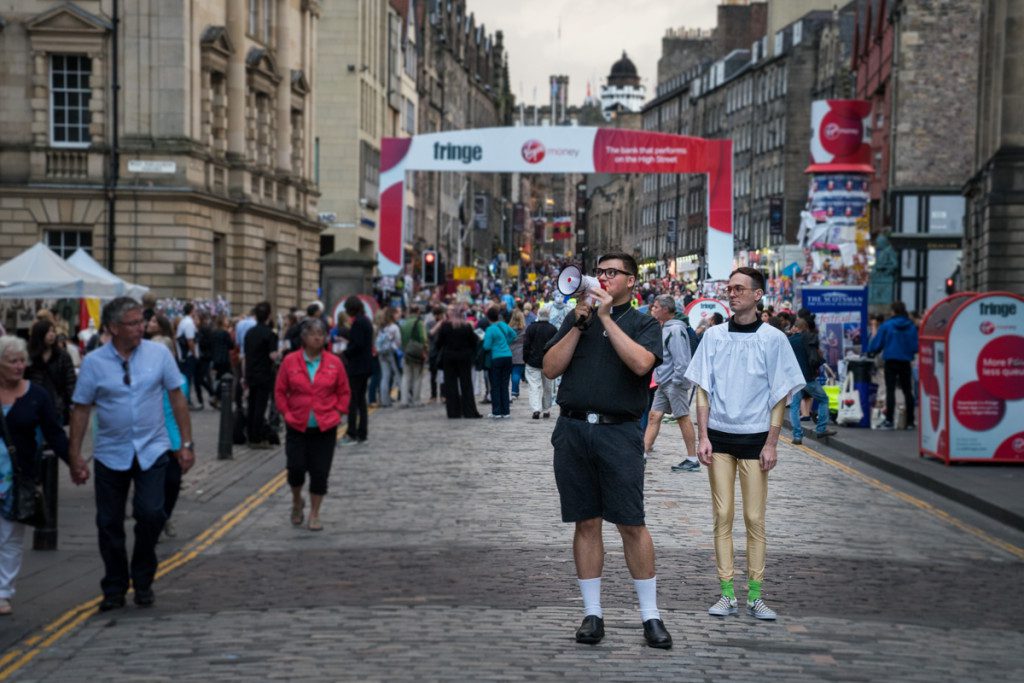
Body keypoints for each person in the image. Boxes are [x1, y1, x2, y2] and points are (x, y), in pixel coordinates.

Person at [542, 252, 672, 649]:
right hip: (575, 428)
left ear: (631, 281)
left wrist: (605, 319)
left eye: (612, 273)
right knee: (586, 521)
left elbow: (641, 364)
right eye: (599, 272)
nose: (603, 278)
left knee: (631, 523)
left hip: (619, 433)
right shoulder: (576, 318)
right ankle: (592, 614)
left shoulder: (644, 323)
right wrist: (580, 324)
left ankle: (650, 617)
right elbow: (550, 368)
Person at [684, 267, 805, 621]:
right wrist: (703, 436)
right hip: (720, 436)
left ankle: (755, 595)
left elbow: (780, 394)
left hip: (755, 438)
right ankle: (726, 594)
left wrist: (772, 443)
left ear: (757, 295)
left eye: (739, 288)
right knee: (722, 515)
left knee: (754, 518)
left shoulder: (773, 339)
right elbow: (702, 389)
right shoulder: (714, 336)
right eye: (729, 288)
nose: (732, 293)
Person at [67, 297, 196, 611]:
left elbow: (177, 398)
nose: (142, 327)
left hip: (153, 449)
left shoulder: (159, 354)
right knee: (108, 523)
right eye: (134, 322)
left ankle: (143, 578)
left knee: (151, 514)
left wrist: (186, 444)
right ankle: (114, 586)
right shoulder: (95, 362)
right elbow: (81, 410)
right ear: (113, 327)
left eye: (142, 320)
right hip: (112, 453)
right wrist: (75, 456)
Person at [0, 336, 70, 616]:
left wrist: (74, 462)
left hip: (18, 477)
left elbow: (54, 433)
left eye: (22, 361)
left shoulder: (36, 395)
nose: (20, 366)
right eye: (13, 361)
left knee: (10, 537)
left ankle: (3, 591)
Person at [275, 319, 351, 531]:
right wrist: (286, 413)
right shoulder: (290, 361)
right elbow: (280, 391)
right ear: (304, 337)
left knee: (320, 472)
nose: (318, 337)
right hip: (296, 425)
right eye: (313, 333)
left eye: (322, 333)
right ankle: (297, 501)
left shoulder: (335, 363)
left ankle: (315, 514)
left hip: (325, 426)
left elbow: (344, 391)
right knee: (295, 469)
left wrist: (337, 412)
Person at [641, 296, 699, 473]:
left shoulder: (674, 330)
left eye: (656, 307)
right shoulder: (665, 328)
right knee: (654, 416)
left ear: (665, 310)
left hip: (674, 382)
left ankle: (692, 459)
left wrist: (677, 382)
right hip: (664, 382)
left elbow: (681, 360)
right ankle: (642, 454)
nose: (653, 309)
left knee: (682, 417)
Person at [867, 301, 918, 430]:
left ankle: (889, 420)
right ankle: (910, 422)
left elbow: (877, 344)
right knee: (908, 391)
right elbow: (915, 346)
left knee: (890, 390)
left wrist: (871, 350)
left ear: (893, 311)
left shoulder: (887, 325)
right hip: (905, 361)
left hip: (890, 360)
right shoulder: (911, 325)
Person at [788, 317, 836, 445]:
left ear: (796, 328)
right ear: (805, 328)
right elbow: (816, 355)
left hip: (794, 379)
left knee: (794, 406)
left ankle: (797, 436)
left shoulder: (789, 341)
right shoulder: (809, 338)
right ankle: (821, 428)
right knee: (823, 399)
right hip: (808, 378)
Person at [26, 319, 77, 426]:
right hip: (33, 405)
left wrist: (72, 403)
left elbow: (70, 381)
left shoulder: (62, 356)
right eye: (48, 332)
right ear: (39, 334)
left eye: (53, 331)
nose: (52, 335)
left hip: (56, 406)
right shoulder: (28, 356)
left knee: (55, 438)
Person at [436, 306, 483, 419]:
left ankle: (453, 412)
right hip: (464, 357)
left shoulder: (446, 326)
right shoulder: (466, 327)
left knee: (451, 385)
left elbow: (438, 343)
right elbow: (474, 342)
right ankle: (469, 411)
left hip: (449, 357)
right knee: (466, 385)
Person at [243, 302, 279, 449]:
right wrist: (280, 352)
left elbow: (246, 354)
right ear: (269, 316)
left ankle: (251, 434)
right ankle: (257, 438)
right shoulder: (270, 334)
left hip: (251, 373)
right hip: (264, 374)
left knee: (251, 405)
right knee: (260, 406)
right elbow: (273, 356)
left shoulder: (249, 333)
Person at [339, 296, 372, 445]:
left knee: (353, 400)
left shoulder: (358, 323)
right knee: (361, 401)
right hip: (365, 365)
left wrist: (345, 352)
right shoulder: (365, 321)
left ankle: (351, 432)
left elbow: (357, 345)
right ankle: (362, 432)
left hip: (357, 366)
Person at [522, 305, 557, 419]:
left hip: (533, 361)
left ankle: (536, 409)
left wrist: (525, 358)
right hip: (548, 362)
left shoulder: (531, 328)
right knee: (548, 386)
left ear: (538, 315)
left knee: (534, 386)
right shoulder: (552, 329)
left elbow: (526, 345)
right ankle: (546, 409)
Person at [482, 307, 516, 418]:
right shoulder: (504, 325)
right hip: (508, 356)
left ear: (488, 318)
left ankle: (496, 411)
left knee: (495, 385)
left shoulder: (490, 329)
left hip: (496, 358)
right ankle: (506, 411)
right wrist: (506, 343)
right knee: (504, 385)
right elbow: (514, 335)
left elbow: (486, 346)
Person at [398, 304, 428, 407]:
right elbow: (423, 338)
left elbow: (400, 339)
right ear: (418, 311)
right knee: (417, 377)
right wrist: (425, 350)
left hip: (406, 352)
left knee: (406, 376)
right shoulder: (419, 323)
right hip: (417, 353)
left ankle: (404, 400)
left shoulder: (404, 323)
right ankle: (416, 400)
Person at [175, 303, 200, 409]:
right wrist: (195, 355)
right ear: (191, 311)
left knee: (186, 378)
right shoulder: (189, 323)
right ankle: (186, 401)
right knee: (187, 379)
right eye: (195, 309)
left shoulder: (184, 321)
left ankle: (186, 400)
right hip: (188, 356)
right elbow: (190, 341)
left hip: (184, 355)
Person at [376, 307, 401, 408]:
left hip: (382, 353)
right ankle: (405, 398)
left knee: (385, 377)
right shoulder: (394, 327)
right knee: (398, 375)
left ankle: (384, 401)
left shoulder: (381, 328)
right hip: (392, 353)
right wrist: (395, 348)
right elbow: (398, 341)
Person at [508, 309, 527, 399]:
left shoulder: (508, 328)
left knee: (511, 373)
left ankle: (513, 391)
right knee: (516, 373)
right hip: (520, 352)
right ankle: (515, 392)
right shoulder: (524, 329)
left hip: (509, 351)